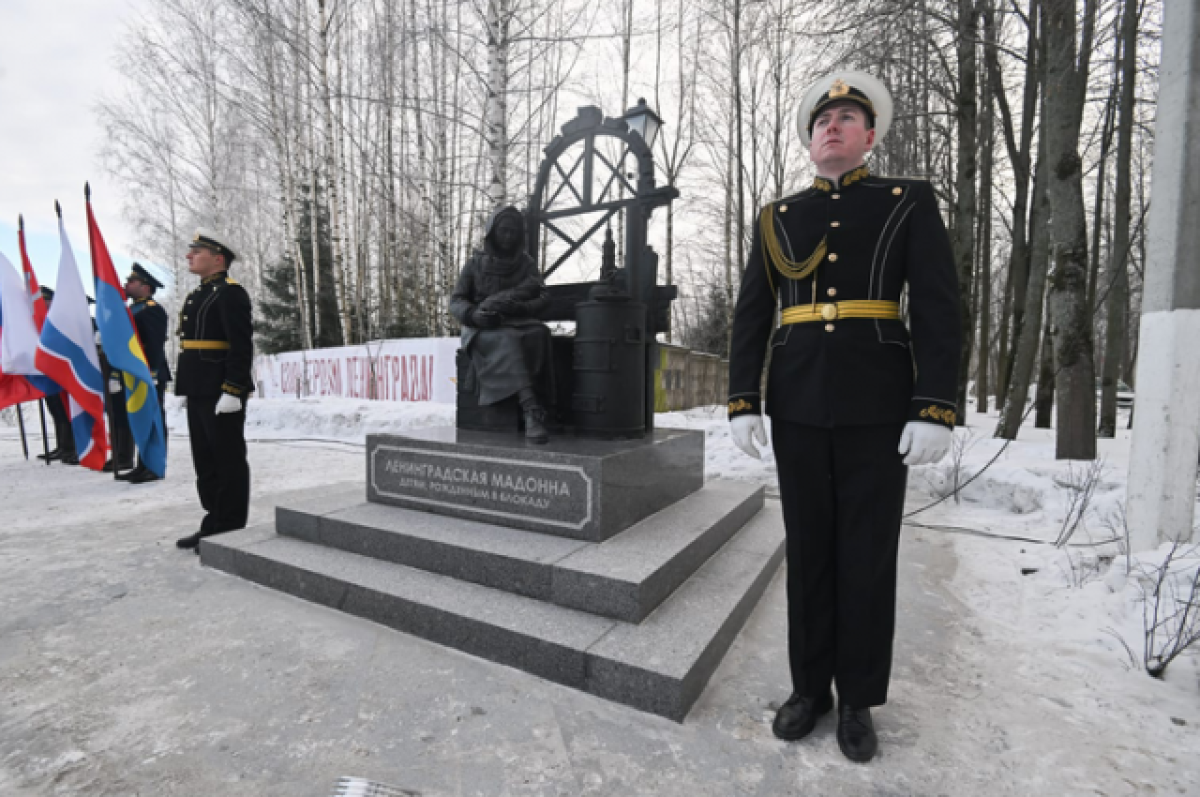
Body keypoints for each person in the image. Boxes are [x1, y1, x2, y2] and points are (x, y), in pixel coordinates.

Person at [726, 72, 961, 763]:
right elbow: (751, 313)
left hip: (878, 404)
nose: (833, 124)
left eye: (848, 116)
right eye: (822, 119)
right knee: (808, 553)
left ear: (871, 136)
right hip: (798, 401)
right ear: (809, 140)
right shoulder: (777, 216)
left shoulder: (906, 201)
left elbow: (940, 307)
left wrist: (934, 404)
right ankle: (809, 689)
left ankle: (857, 696)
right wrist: (744, 397)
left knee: (866, 554)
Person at [173, 230, 254, 551]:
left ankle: (230, 526)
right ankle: (214, 520)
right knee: (205, 460)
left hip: (220, 388)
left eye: (197, 250)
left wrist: (233, 389)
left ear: (218, 258)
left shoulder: (230, 293)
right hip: (199, 385)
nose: (189, 255)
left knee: (227, 459)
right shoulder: (201, 293)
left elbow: (241, 345)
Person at [449, 205, 553, 443]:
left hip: (518, 320)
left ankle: (547, 404)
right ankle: (530, 410)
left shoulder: (525, 263)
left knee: (540, 333)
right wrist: (473, 315)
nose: (508, 236)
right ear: (492, 232)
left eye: (513, 232)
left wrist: (522, 308)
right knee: (507, 340)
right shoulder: (475, 264)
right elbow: (456, 300)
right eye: (504, 231)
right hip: (482, 326)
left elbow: (544, 296)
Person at [114, 263, 172, 484]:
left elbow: (155, 343)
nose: (126, 285)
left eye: (132, 282)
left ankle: (154, 465)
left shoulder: (151, 309)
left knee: (153, 418)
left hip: (149, 371)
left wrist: (154, 371)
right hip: (135, 373)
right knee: (139, 418)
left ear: (145, 287)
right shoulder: (133, 309)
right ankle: (143, 463)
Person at [34, 287, 78, 465]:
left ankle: (75, 447)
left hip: (67, 374)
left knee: (69, 411)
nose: (42, 304)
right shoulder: (42, 322)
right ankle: (64, 446)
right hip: (49, 374)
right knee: (56, 410)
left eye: (46, 300)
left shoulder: (63, 322)